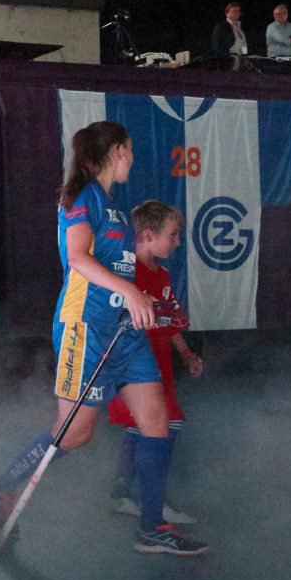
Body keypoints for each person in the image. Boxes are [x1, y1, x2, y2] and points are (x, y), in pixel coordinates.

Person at [0, 121, 208, 555]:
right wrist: (128, 290)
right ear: (119, 150)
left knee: (156, 420)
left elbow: (119, 268)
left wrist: (136, 296)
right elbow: (77, 258)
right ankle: (3, 485)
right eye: (132, 150)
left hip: (125, 333)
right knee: (75, 433)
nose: (134, 158)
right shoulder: (83, 200)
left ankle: (151, 528)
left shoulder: (115, 206)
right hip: (84, 329)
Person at [107, 200, 203, 524]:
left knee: (142, 428)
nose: (177, 242)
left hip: (160, 367)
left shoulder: (160, 274)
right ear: (148, 235)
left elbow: (170, 320)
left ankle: (121, 494)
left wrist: (186, 353)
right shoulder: (124, 273)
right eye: (173, 235)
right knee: (163, 428)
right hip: (134, 368)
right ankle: (154, 502)